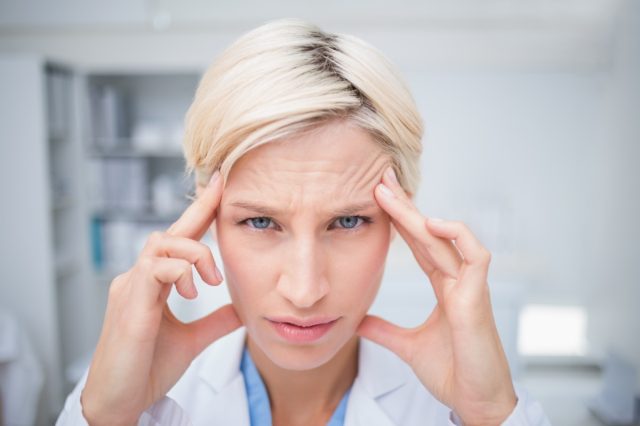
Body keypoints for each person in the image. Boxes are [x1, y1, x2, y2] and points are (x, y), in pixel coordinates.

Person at [57, 19, 551, 426]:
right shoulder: (128, 406)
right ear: (205, 216)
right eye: (260, 222)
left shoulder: (464, 409)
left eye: (349, 221)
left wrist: (489, 414)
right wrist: (106, 416)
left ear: (403, 219)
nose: (305, 289)